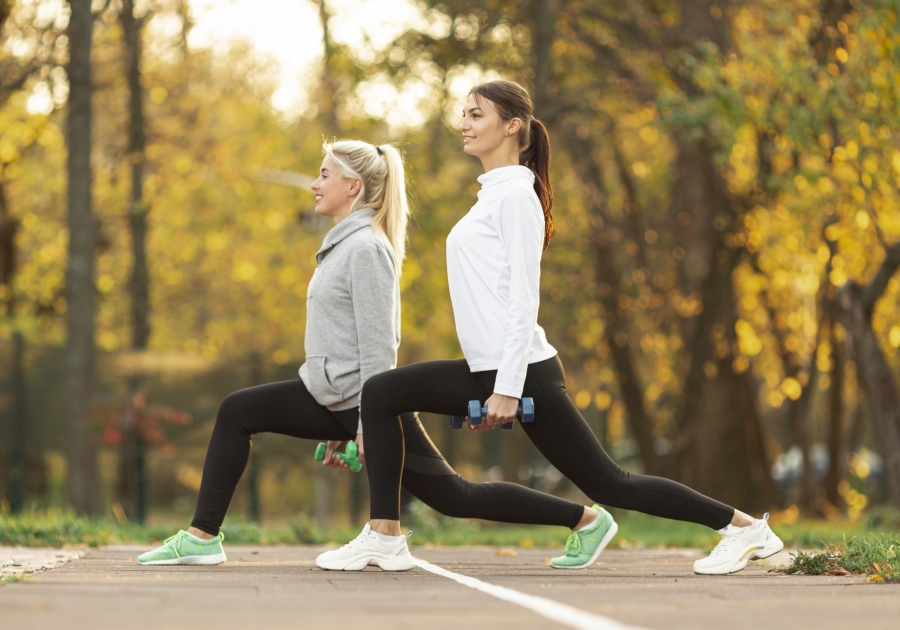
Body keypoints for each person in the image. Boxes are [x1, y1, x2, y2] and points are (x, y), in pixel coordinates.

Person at [319, 81, 784, 576]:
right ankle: (384, 535)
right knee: (383, 392)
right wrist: (492, 383)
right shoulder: (493, 195)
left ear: (512, 125)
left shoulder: (517, 197)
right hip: (491, 368)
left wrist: (507, 389)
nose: (463, 124)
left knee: (610, 483)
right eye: (464, 114)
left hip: (522, 370)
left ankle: (743, 528)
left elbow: (524, 298)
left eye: (476, 115)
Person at [137, 139, 600, 567]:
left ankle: (584, 519)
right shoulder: (343, 244)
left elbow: (381, 347)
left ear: (353, 186)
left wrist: (364, 423)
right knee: (237, 411)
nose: (315, 185)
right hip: (330, 396)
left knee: (457, 496)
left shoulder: (366, 249)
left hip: (362, 402)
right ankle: (202, 537)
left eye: (323, 175)